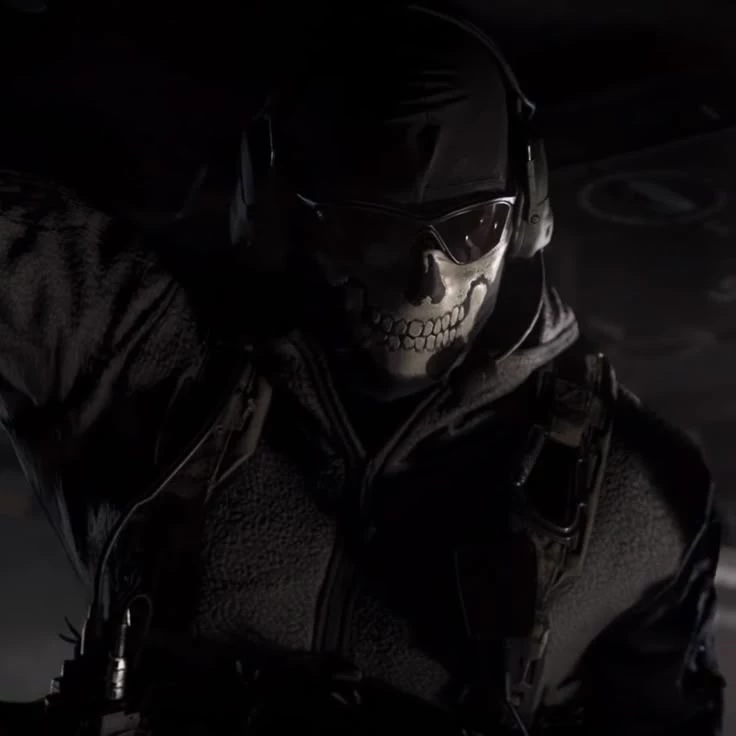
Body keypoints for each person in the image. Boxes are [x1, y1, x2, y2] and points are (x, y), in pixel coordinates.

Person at [0, 5, 725, 735]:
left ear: (526, 213)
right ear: (284, 213)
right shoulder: (148, 357)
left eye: (471, 227)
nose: (426, 283)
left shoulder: (633, 498)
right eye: (373, 228)